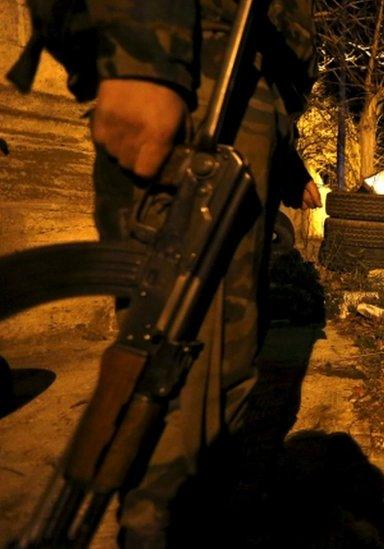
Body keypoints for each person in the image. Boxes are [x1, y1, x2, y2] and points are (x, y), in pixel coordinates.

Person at [7, 0, 321, 544]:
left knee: (222, 376)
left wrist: (284, 151)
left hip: (239, 85)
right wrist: (147, 55)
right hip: (196, 70)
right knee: (172, 389)